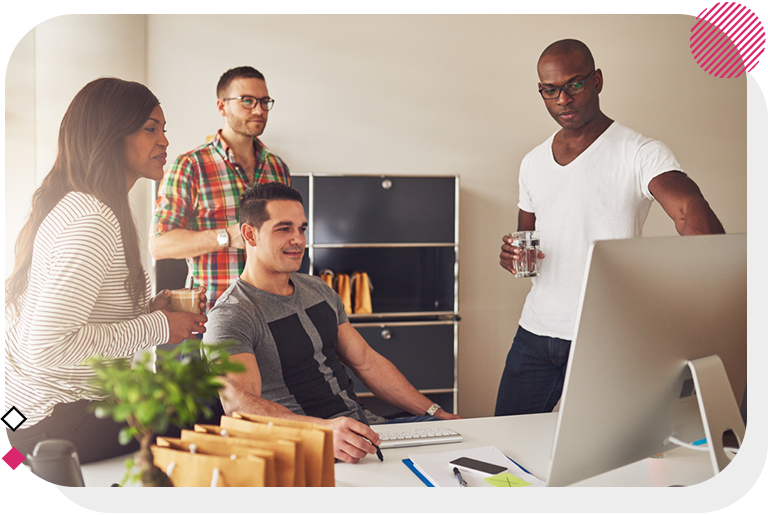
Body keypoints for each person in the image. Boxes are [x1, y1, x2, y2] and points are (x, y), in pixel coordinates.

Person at [495, 39, 725, 417]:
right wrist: (515, 257)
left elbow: (687, 210)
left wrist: (713, 284)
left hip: (605, 336)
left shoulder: (639, 151)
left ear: (597, 80)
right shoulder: (532, 162)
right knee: (506, 446)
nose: (563, 99)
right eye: (550, 90)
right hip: (536, 332)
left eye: (574, 84)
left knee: (608, 458)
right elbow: (527, 242)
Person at [4, 78, 208, 463]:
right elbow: (47, 347)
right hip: (52, 421)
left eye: (164, 130)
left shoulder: (85, 204)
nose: (164, 141)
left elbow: (80, 315)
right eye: (151, 128)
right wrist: (162, 326)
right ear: (108, 134)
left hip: (23, 417)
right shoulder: (92, 220)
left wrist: (148, 311)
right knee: (208, 409)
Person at [203, 182, 461, 464]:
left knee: (468, 458)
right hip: (307, 448)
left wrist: (435, 412)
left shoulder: (318, 289)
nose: (298, 240)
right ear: (250, 234)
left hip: (366, 433)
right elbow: (239, 406)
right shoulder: (231, 315)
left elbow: (367, 362)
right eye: (284, 228)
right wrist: (323, 430)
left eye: (301, 228)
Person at [150, 66, 291, 312]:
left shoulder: (277, 168)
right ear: (221, 106)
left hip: (272, 316)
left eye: (264, 101)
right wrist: (226, 236)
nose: (258, 110)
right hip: (210, 320)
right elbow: (159, 245)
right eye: (247, 101)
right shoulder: (190, 166)